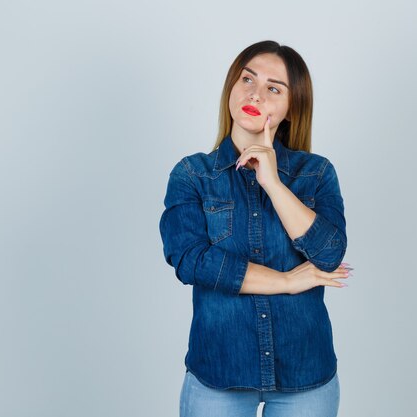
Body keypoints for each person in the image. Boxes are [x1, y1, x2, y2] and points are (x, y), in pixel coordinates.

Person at [159, 40, 353, 417]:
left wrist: (274, 184)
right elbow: (191, 261)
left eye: (273, 88)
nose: (256, 93)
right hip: (218, 371)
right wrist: (285, 281)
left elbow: (329, 254)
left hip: (305, 372)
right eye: (247, 79)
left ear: (291, 107)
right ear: (231, 87)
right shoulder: (191, 174)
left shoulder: (316, 173)